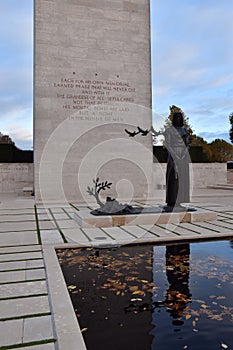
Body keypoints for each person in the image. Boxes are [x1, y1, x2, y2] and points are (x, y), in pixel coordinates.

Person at [164, 112, 191, 210]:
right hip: (173, 155)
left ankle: (179, 201)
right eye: (176, 117)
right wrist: (175, 156)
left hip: (183, 154)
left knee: (182, 178)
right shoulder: (169, 130)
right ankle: (171, 201)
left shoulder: (184, 130)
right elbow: (168, 144)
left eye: (180, 117)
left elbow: (187, 143)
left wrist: (184, 154)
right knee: (173, 178)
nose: (178, 119)